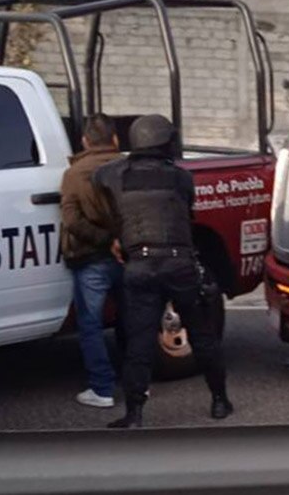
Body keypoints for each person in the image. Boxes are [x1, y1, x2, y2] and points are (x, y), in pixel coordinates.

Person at [94, 114, 232, 428]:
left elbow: (98, 183)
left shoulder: (112, 174)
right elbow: (187, 208)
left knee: (139, 342)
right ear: (163, 142)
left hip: (139, 266)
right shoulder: (181, 177)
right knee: (202, 337)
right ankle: (220, 401)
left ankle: (134, 414)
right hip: (180, 264)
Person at [60, 112, 124, 408]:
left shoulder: (75, 173)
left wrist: (103, 241)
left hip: (90, 258)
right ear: (114, 139)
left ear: (85, 140)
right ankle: (139, 384)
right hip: (129, 255)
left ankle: (102, 389)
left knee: (91, 325)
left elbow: (72, 220)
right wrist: (120, 241)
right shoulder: (128, 166)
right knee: (133, 320)